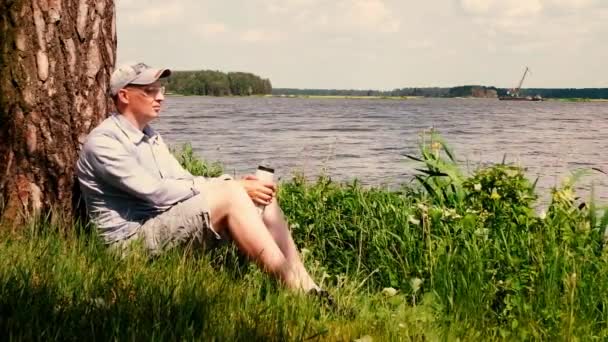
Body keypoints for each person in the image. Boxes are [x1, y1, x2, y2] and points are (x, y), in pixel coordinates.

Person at [76, 62, 325, 294]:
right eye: (150, 91)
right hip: (130, 244)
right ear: (124, 95)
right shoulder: (105, 143)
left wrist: (234, 184)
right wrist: (231, 187)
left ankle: (312, 288)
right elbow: (155, 192)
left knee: (263, 196)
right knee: (231, 194)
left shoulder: (149, 136)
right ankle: (296, 290)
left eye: (160, 90)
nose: (160, 97)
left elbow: (183, 180)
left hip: (159, 224)